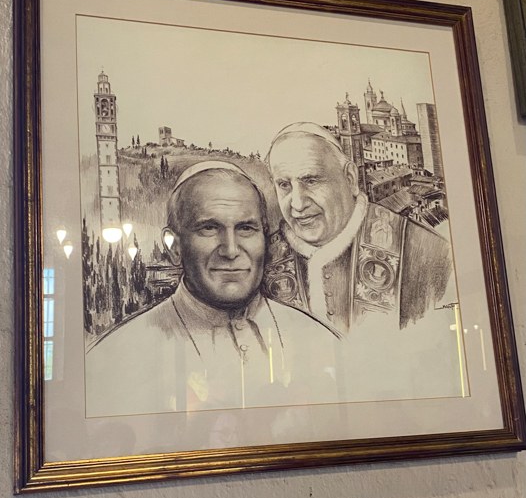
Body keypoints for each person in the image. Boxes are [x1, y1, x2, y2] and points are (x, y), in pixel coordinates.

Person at [86, 161, 340, 418]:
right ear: (174, 246)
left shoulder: (318, 338)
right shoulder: (118, 354)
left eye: (246, 229)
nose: (230, 250)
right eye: (209, 228)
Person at [264, 122, 453, 334]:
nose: (298, 204)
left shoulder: (428, 252)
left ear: (350, 179)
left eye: (311, 180)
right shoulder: (261, 263)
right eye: (284, 185)